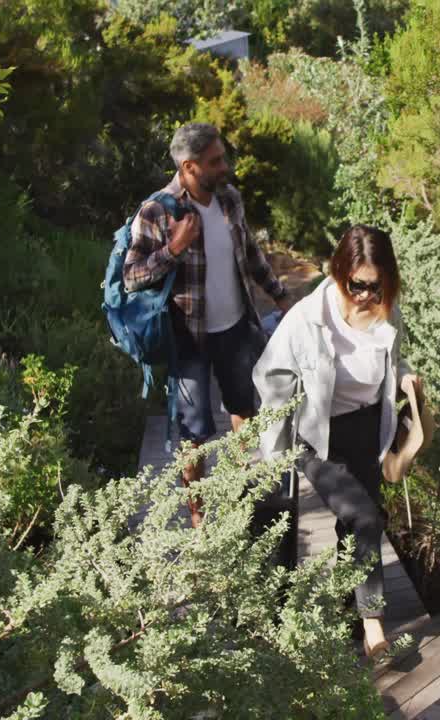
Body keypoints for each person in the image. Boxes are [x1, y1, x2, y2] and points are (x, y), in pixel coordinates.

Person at [254, 224, 423, 659]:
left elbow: (393, 358)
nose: (367, 294)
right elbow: (270, 377)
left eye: (376, 284)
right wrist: (274, 456)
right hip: (319, 436)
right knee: (366, 517)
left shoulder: (388, 310)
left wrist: (404, 378)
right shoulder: (309, 319)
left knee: (354, 524)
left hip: (369, 430)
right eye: (357, 285)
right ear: (338, 272)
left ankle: (350, 611)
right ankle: (373, 623)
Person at [124, 123, 293, 528]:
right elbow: (132, 277)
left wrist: (281, 295)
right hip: (188, 339)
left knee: (243, 410)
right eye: (215, 161)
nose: (226, 167)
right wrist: (173, 249)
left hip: (235, 328)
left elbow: (250, 253)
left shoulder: (229, 199)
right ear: (188, 167)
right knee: (194, 432)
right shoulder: (157, 212)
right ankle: (199, 517)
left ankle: (238, 493)